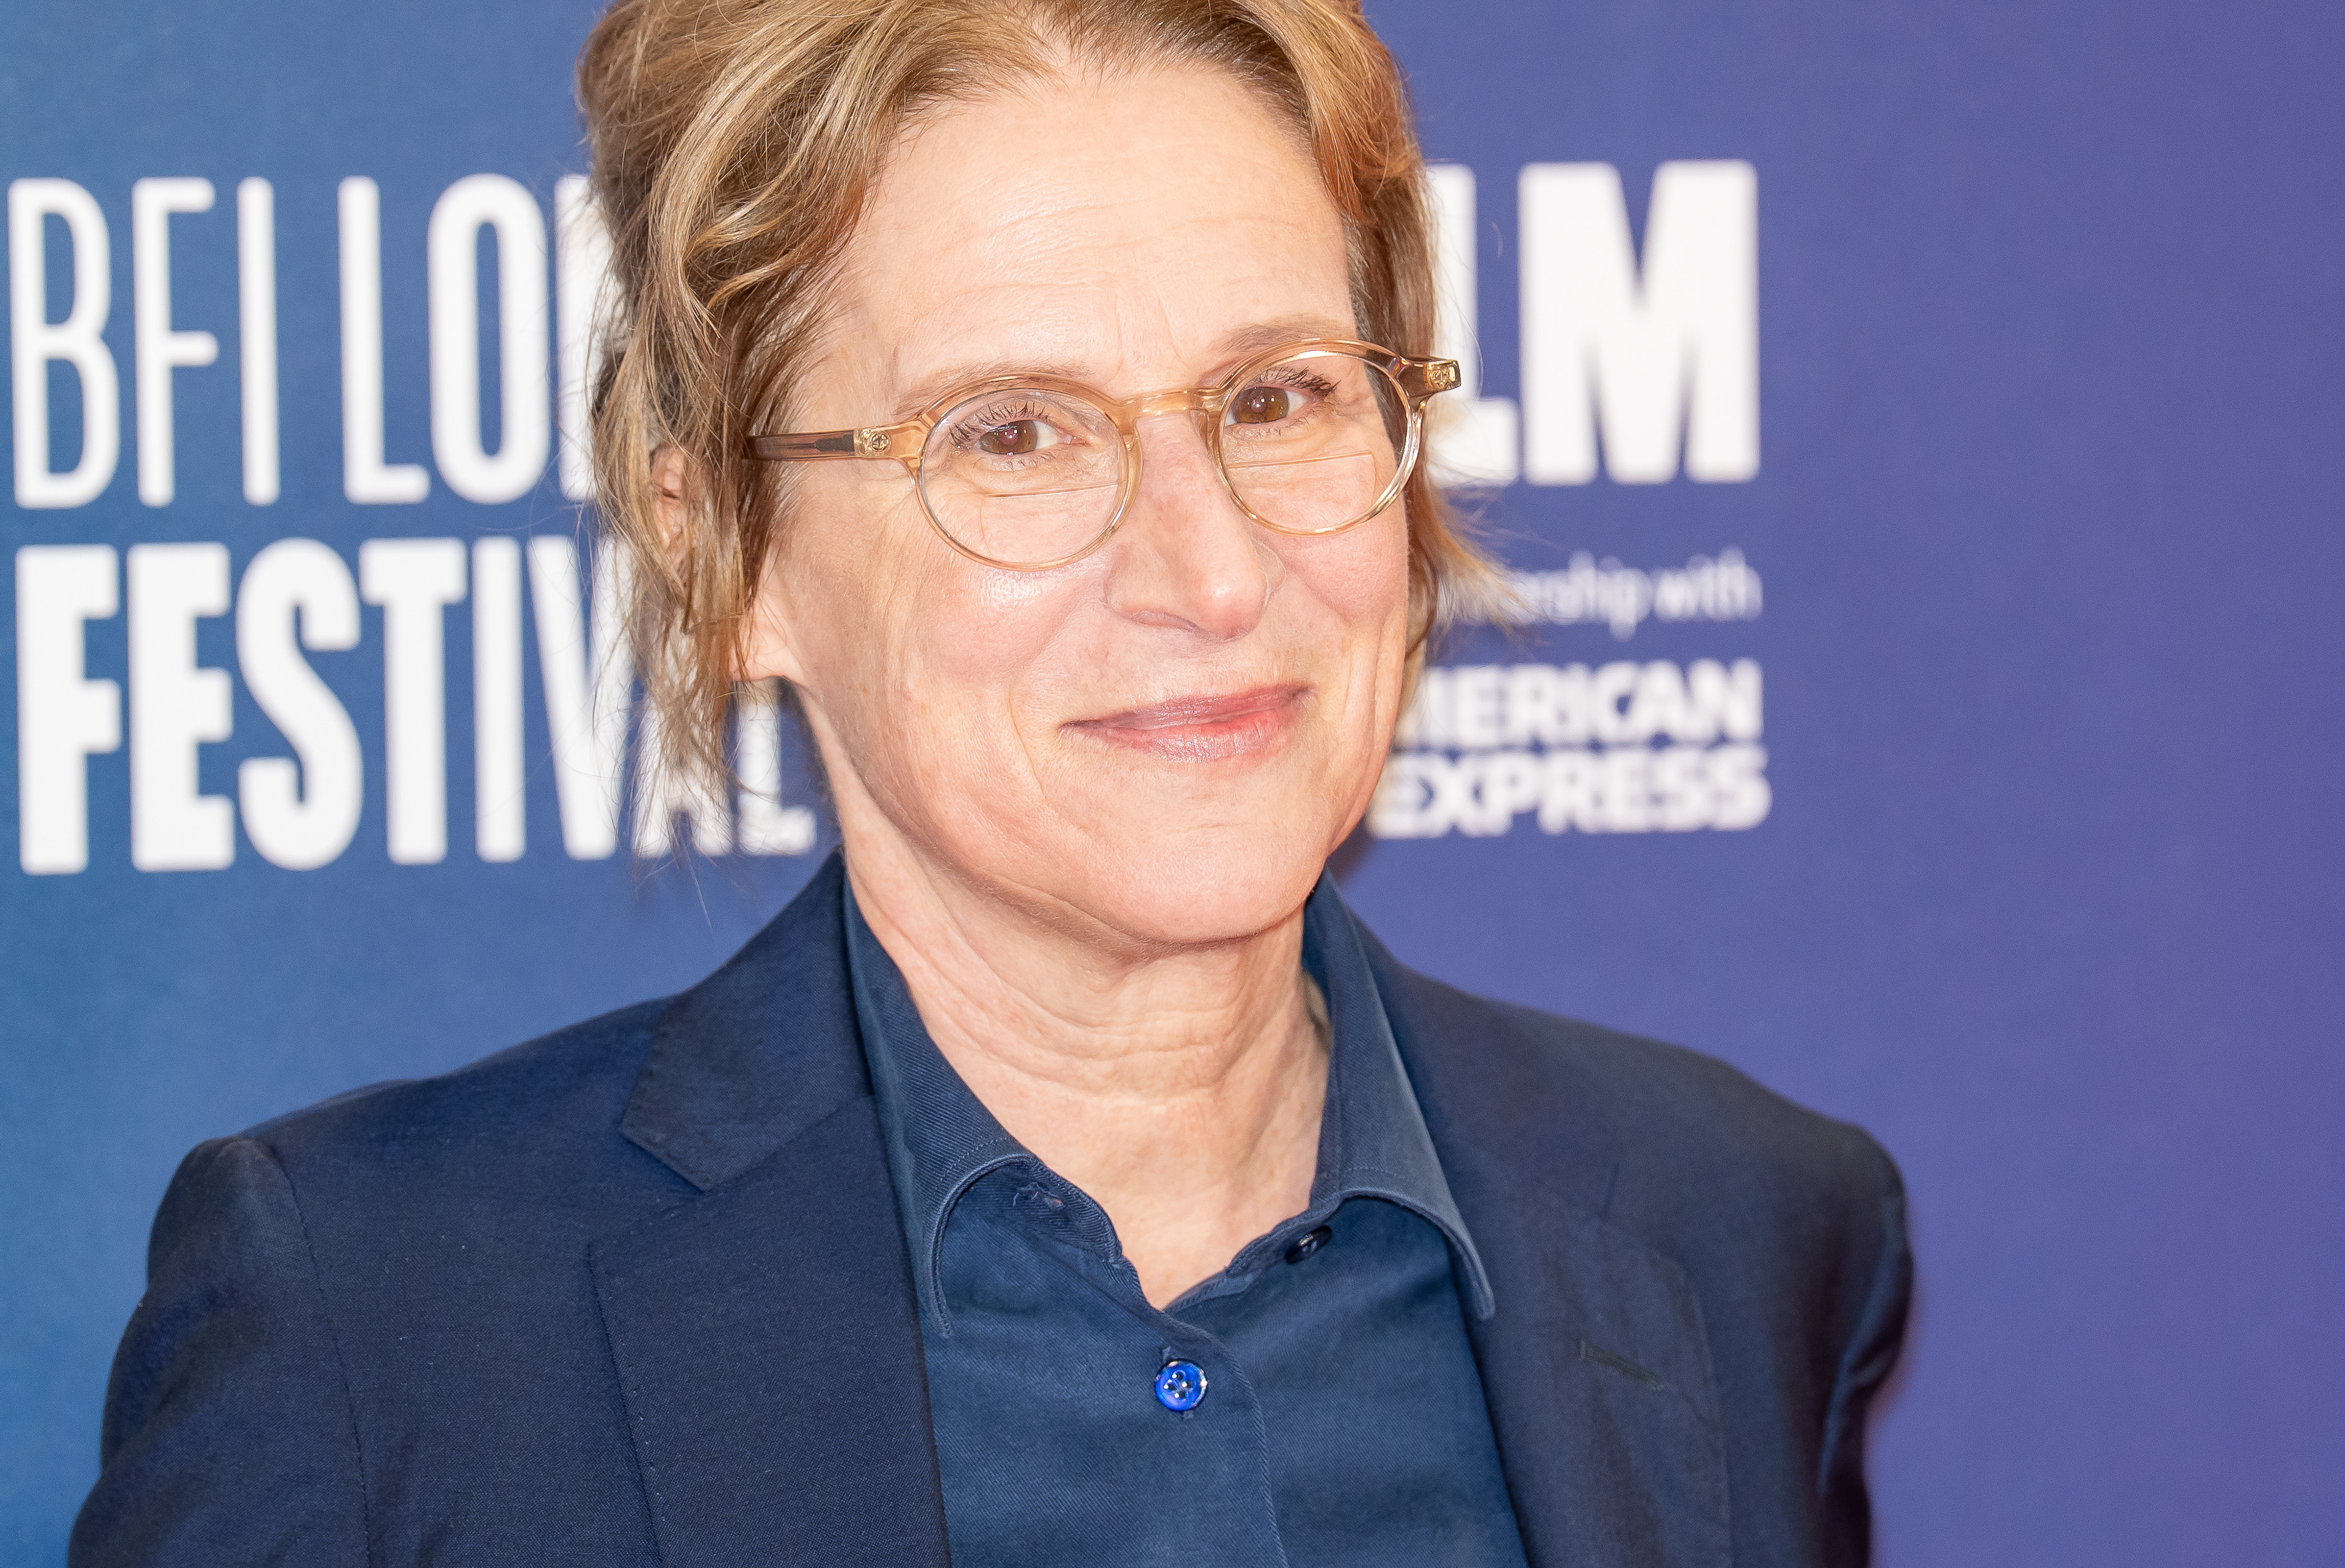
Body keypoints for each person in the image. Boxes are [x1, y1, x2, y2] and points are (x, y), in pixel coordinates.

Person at [71, 1, 1910, 1563]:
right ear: (728, 553)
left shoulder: (1741, 1233)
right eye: (1012, 435)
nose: (1210, 574)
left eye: (1277, 397)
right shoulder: (378, 1333)